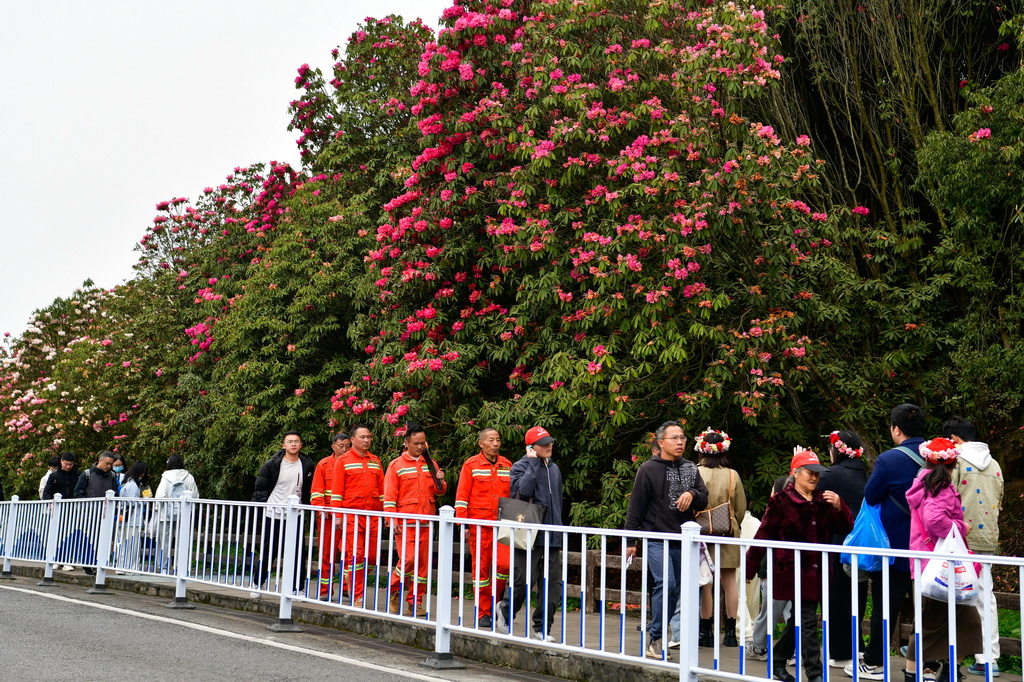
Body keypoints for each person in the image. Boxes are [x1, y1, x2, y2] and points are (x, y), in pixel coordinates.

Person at [746, 448, 854, 682]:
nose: (814, 477)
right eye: (809, 472)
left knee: (799, 620)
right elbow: (763, 535)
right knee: (806, 621)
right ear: (795, 473)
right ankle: (815, 673)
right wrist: (750, 567)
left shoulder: (823, 500)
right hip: (792, 571)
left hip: (819, 572)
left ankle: (778, 658)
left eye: (817, 473)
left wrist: (839, 507)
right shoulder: (780, 502)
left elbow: (845, 528)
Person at [847, 403, 927, 680]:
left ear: (896, 429)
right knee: (931, 605)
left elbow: (870, 495)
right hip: (932, 548)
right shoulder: (939, 456)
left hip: (895, 548)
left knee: (886, 605)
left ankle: (874, 662)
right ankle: (928, 665)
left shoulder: (889, 460)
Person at [623, 420, 709, 662]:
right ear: (661, 443)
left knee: (677, 590)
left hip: (685, 538)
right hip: (656, 537)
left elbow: (704, 499)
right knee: (666, 583)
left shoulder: (692, 468)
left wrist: (692, 494)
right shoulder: (647, 469)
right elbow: (635, 507)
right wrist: (630, 540)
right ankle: (656, 637)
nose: (680, 441)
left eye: (682, 437)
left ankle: (658, 635)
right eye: (674, 438)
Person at [904, 437, 983, 682]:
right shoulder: (941, 487)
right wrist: (962, 527)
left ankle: (949, 673)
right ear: (953, 462)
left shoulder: (923, 484)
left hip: (928, 564)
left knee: (963, 622)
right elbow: (935, 520)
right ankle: (919, 675)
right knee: (930, 626)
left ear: (927, 460)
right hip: (940, 568)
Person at [942, 417, 1004, 676]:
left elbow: (946, 498)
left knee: (945, 593)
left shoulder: (955, 463)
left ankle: (940, 655)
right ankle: (988, 658)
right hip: (987, 537)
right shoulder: (995, 465)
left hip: (959, 538)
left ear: (954, 439)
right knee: (984, 596)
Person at [497, 426, 564, 642]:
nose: (549, 446)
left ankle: (542, 628)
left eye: (550, 442)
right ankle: (505, 613)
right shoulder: (520, 466)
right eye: (544, 443)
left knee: (552, 585)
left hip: (552, 535)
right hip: (528, 534)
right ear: (531, 448)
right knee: (522, 580)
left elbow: (559, 502)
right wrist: (533, 464)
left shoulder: (555, 469)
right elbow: (521, 493)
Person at [383, 422, 446, 616]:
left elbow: (440, 492)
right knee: (408, 560)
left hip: (426, 521)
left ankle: (415, 602)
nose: (420, 447)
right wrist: (392, 521)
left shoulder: (430, 463)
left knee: (423, 566)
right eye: (416, 443)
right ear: (406, 443)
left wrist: (441, 480)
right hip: (405, 523)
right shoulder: (396, 465)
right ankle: (394, 591)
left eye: (423, 443)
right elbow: (389, 496)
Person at [818, 430, 868, 669]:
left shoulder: (831, 475)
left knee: (836, 597)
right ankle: (857, 647)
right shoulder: (864, 472)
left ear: (837, 450)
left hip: (837, 541)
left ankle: (840, 652)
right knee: (856, 597)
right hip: (862, 544)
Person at [454, 427, 512, 628]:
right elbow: (462, 497)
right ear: (481, 443)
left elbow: (513, 497)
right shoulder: (471, 465)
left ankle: (497, 606)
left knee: (504, 566)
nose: (495, 444)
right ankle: (483, 612)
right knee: (481, 571)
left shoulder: (507, 465)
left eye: (497, 440)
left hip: (502, 527)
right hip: (479, 526)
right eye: (491, 440)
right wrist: (464, 525)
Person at [694, 428, 747, 648]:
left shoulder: (695, 472)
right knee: (729, 582)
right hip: (728, 533)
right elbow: (741, 508)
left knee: (707, 583)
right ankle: (731, 634)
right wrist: (733, 523)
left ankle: (706, 632)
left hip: (701, 533)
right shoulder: (732, 474)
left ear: (702, 449)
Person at [251, 432, 316, 596]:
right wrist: (266, 506)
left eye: (296, 441)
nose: (293, 444)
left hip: (297, 514)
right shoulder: (271, 465)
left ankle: (298, 588)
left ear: (301, 445)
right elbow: (260, 488)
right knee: (268, 551)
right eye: (290, 441)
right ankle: (258, 583)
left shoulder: (307, 465)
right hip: (273, 513)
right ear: (283, 445)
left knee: (297, 553)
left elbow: (308, 490)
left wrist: (306, 508)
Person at [329, 424, 385, 608]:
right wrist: (337, 515)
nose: (367, 440)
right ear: (352, 440)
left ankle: (352, 579)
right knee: (356, 555)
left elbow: (383, 491)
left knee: (373, 557)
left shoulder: (375, 461)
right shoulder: (343, 461)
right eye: (363, 437)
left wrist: (387, 513)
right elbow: (336, 492)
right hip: (351, 515)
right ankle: (357, 596)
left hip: (374, 515)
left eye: (369, 437)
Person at [749, 476, 794, 661]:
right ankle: (793, 650)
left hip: (775, 570)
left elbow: (761, 544)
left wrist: (758, 571)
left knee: (769, 611)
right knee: (792, 611)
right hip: (796, 570)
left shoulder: (774, 512)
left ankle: (759, 646)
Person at [310, 431, 351, 600]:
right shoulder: (324, 464)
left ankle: (348, 587)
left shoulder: (353, 463)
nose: (344, 449)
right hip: (328, 518)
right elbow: (316, 492)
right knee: (327, 554)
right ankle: (325, 591)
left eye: (347, 446)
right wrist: (322, 511)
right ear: (333, 446)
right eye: (340, 446)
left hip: (348, 516)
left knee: (351, 553)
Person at [152, 455, 200, 572]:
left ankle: (164, 567)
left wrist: (159, 508)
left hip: (165, 515)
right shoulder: (188, 477)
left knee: (164, 542)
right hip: (183, 514)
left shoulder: (165, 477)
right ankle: (180, 567)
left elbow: (159, 496)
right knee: (182, 541)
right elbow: (195, 495)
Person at [114, 462, 149, 572]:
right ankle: (132, 568)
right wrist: (143, 500)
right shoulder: (133, 486)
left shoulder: (125, 482)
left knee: (123, 544)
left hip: (123, 518)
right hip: (132, 520)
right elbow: (132, 503)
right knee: (133, 545)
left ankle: (121, 567)